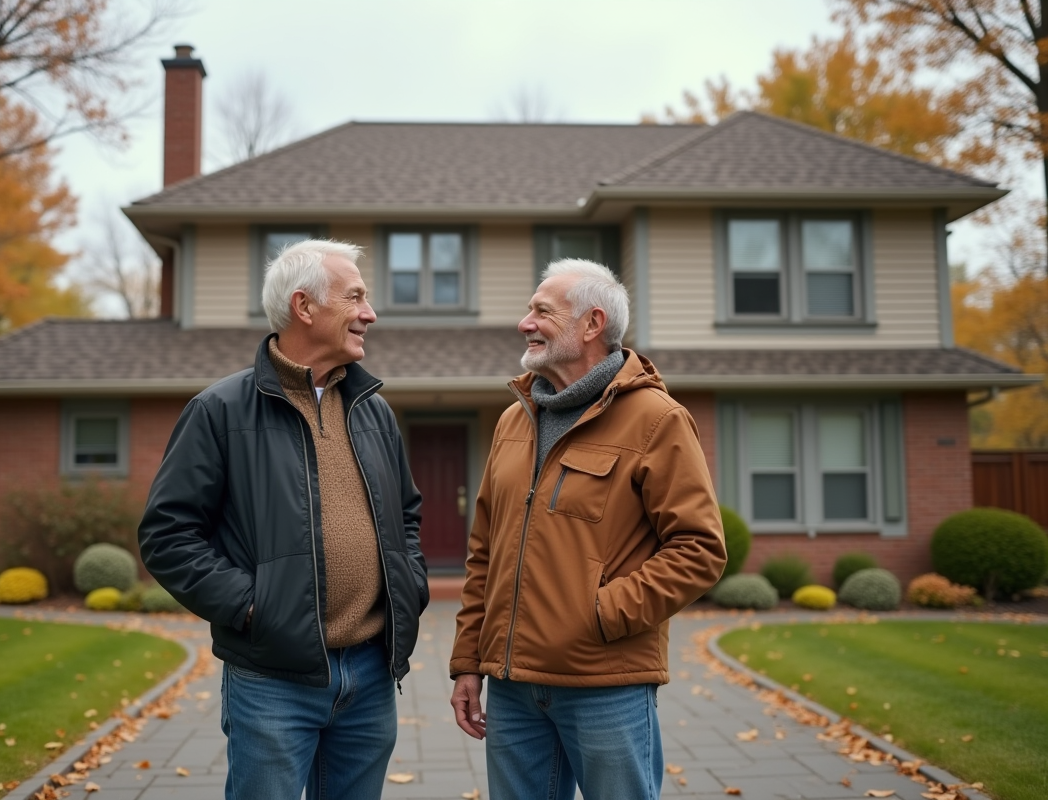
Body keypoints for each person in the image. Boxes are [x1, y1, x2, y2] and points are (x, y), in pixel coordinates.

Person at [139, 239, 428, 800]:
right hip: (272, 679)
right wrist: (253, 607)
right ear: (304, 307)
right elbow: (167, 535)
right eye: (355, 297)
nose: (370, 313)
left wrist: (409, 586)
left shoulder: (373, 410)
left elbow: (407, 517)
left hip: (370, 673)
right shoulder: (218, 412)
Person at [449, 258, 726, 800]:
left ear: (592, 325)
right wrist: (467, 662)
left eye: (541, 311)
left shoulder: (656, 419)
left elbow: (699, 549)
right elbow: (485, 551)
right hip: (511, 689)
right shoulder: (514, 420)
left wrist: (599, 614)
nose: (524, 322)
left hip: (605, 685)